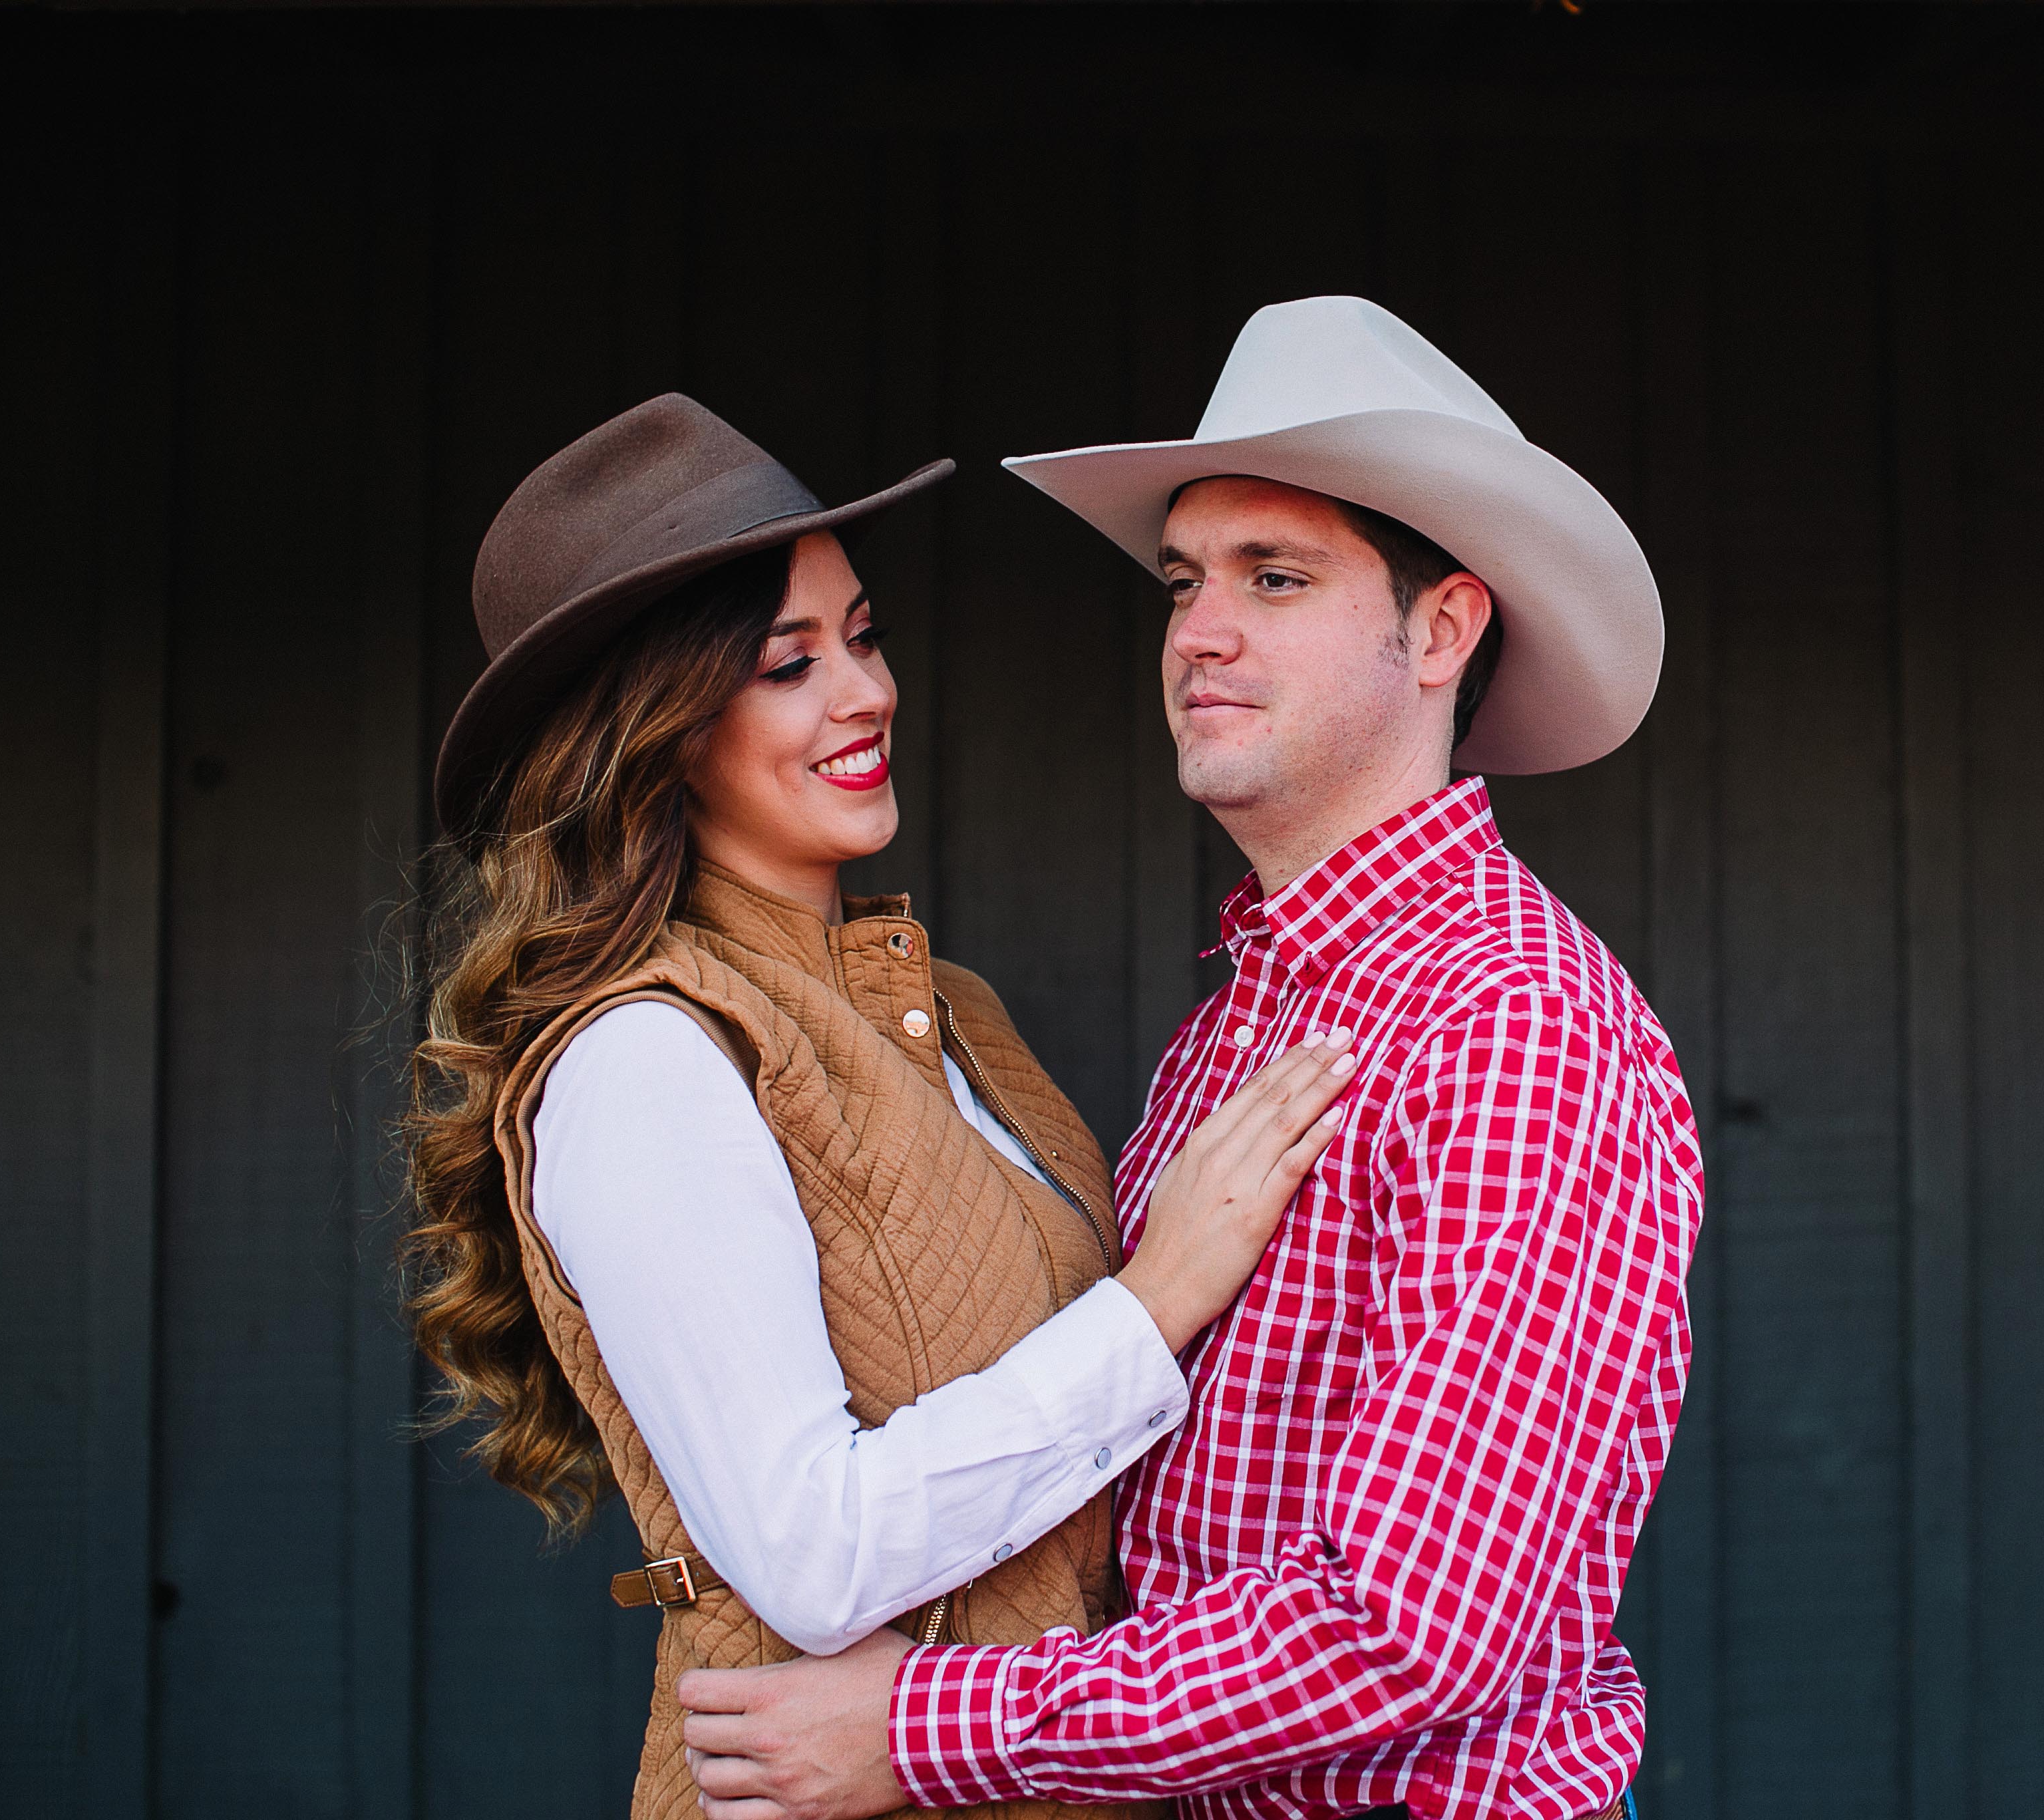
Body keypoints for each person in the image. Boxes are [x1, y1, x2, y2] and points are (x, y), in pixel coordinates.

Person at [679, 297, 1703, 1820]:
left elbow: (1409, 1626)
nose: (1198, 633)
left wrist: (921, 1727)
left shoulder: (1513, 1025)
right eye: (1183, 581)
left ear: (1441, 630)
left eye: (1274, 578)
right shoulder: (1250, 1012)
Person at [401, 394, 1356, 1820]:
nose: (865, 693)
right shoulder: (645, 1057)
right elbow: (812, 1554)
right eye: (790, 664)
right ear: (657, 730)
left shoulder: (955, 1015)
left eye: (864, 636)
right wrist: (1158, 1299)